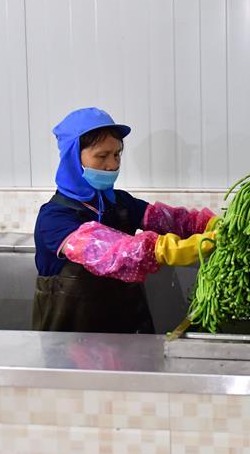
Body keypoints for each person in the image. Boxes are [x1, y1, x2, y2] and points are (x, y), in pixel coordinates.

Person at [33, 107, 217, 334]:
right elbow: (109, 250)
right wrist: (163, 249)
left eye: (117, 154)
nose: (112, 165)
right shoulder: (54, 219)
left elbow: (174, 221)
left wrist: (209, 225)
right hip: (70, 347)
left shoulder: (120, 202)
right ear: (73, 158)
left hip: (125, 335)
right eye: (102, 156)